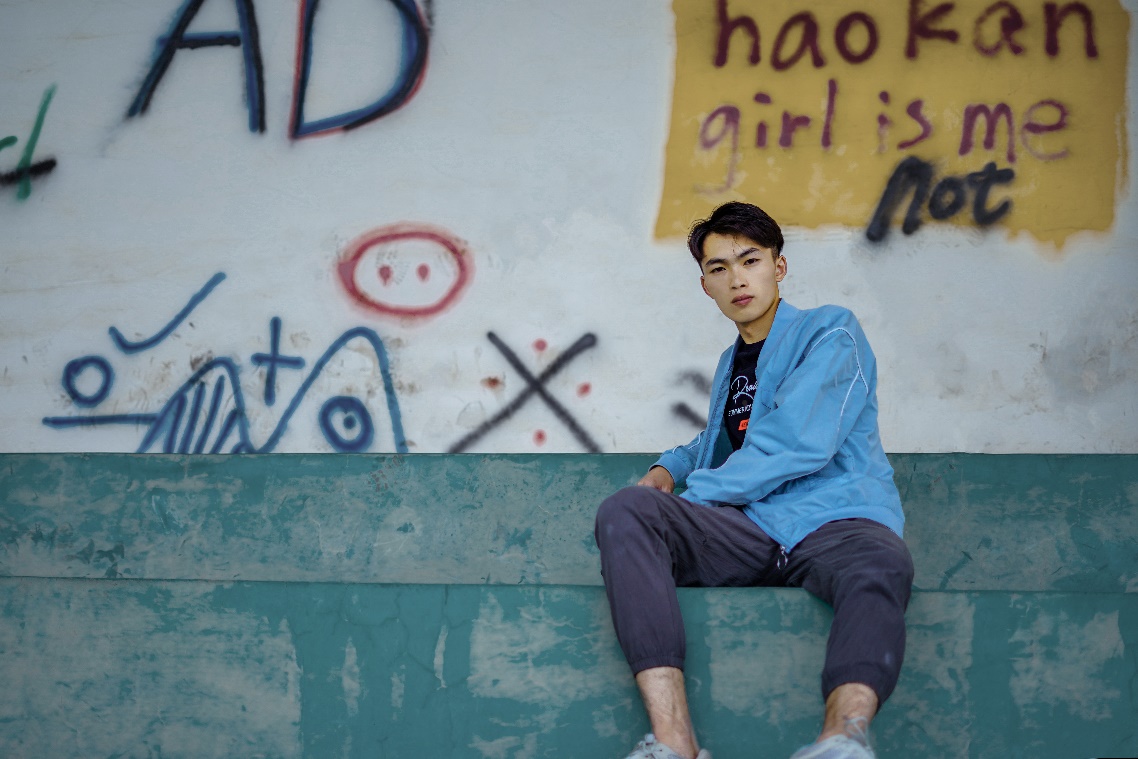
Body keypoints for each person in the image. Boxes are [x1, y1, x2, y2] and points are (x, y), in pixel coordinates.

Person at [595, 202, 914, 759]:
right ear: (706, 286)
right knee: (626, 511)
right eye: (719, 268)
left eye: (750, 260)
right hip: (751, 530)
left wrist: (697, 496)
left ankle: (842, 742)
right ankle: (674, 745)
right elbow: (725, 438)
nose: (737, 279)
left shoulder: (830, 332)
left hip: (835, 520)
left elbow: (795, 442)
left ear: (778, 267)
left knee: (882, 562)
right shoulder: (732, 362)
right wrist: (670, 468)